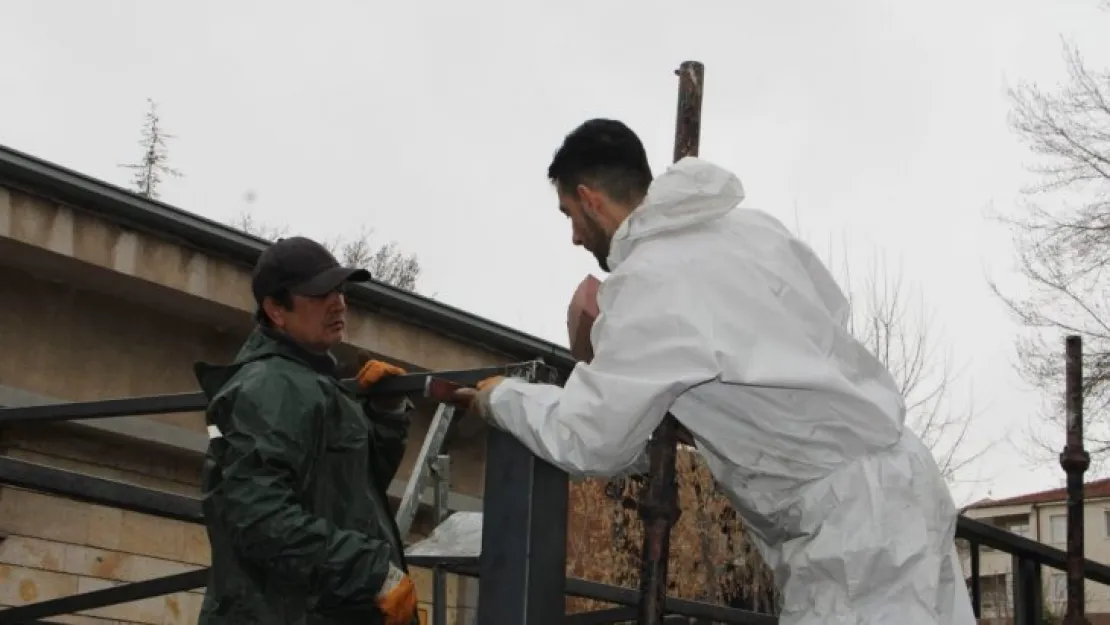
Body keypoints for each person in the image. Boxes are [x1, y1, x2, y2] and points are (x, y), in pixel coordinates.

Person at [457, 119, 977, 625]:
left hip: (850, 530)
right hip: (905, 480)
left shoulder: (648, 283)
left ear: (591, 198)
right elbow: (824, 322)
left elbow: (591, 439)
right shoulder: (752, 230)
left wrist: (500, 398)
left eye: (569, 213)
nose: (574, 235)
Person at [194, 236, 420, 625]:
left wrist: (385, 412)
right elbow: (259, 520)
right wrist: (371, 571)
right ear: (276, 310)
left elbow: (348, 494)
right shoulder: (270, 386)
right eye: (319, 293)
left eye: (339, 290)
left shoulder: (306, 380)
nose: (339, 302)